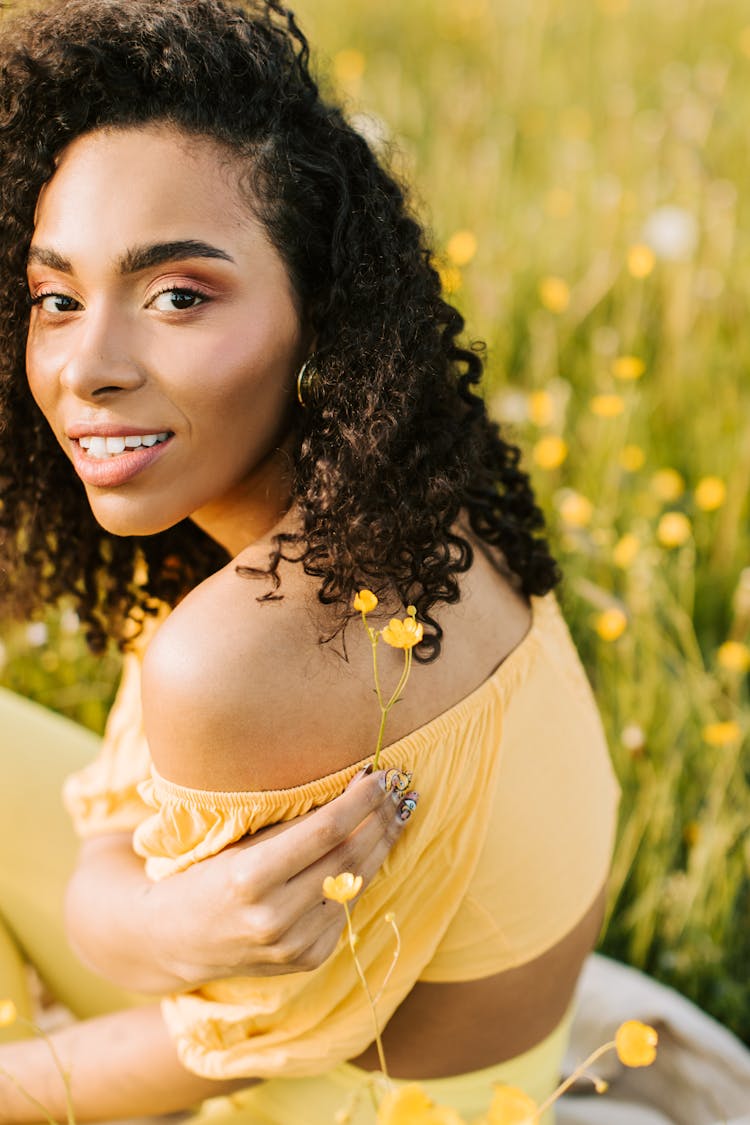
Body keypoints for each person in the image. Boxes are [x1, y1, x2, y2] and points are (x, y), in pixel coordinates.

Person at [0, 0, 620, 1121]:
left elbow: (223, 1052)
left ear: (319, 312)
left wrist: (116, 951)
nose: (86, 365)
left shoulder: (249, 650)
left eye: (180, 296)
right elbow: (124, 861)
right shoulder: (397, 487)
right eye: (56, 298)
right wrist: (125, 921)